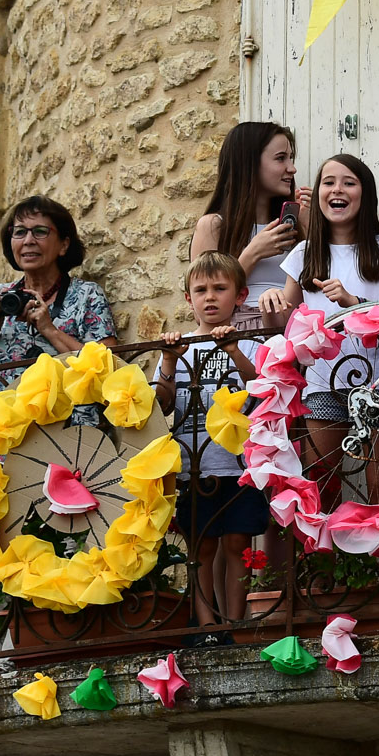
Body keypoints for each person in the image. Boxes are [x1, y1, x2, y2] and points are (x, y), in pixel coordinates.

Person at [155, 252, 270, 641]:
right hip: (193, 464)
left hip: (239, 463)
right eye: (200, 290)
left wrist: (234, 350)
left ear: (240, 296)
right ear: (188, 299)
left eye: (220, 289)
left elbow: (258, 388)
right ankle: (207, 625)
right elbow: (163, 403)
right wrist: (169, 362)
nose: (210, 297)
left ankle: (234, 624)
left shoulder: (251, 343)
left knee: (238, 541)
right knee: (201, 547)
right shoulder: (181, 346)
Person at [278, 154, 379, 507]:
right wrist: (272, 297)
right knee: (320, 479)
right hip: (323, 381)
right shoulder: (303, 253)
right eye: (328, 182)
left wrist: (353, 301)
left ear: (365, 193)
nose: (337, 189)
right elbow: (286, 317)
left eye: (349, 182)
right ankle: (323, 561)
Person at [0, 196, 117, 400]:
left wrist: (50, 330)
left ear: (63, 245)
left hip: (68, 430)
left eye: (40, 232)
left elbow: (109, 373)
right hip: (4, 428)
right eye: (19, 232)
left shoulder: (87, 296)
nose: (28, 241)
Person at [189, 121, 301, 327]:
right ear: (248, 163)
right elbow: (200, 314)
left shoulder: (297, 222)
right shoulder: (213, 226)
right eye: (280, 158)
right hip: (237, 341)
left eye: (291, 158)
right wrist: (252, 254)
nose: (291, 169)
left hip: (291, 334)